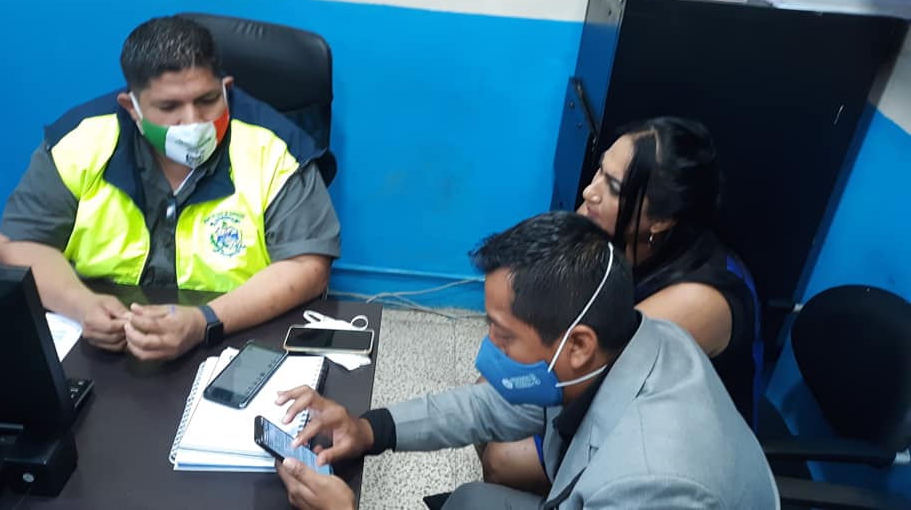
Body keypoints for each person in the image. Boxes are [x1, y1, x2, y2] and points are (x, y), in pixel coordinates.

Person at [274, 212, 778, 510]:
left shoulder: (649, 486)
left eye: (503, 333)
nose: (489, 347)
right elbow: (490, 408)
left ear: (577, 345)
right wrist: (370, 429)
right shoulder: (626, 341)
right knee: (471, 501)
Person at [0, 16, 340, 361]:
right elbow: (18, 242)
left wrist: (204, 321)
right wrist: (82, 306)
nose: (193, 121)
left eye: (207, 100)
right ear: (132, 107)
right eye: (169, 107)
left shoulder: (277, 148)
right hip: (109, 344)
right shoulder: (81, 140)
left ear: (226, 88)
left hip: (237, 336)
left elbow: (307, 265)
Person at [481, 117, 762, 494]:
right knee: (492, 393)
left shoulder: (695, 302)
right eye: (600, 171)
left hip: (679, 452)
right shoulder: (623, 238)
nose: (589, 191)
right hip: (618, 398)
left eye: (612, 186)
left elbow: (586, 380)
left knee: (501, 459)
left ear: (660, 220)